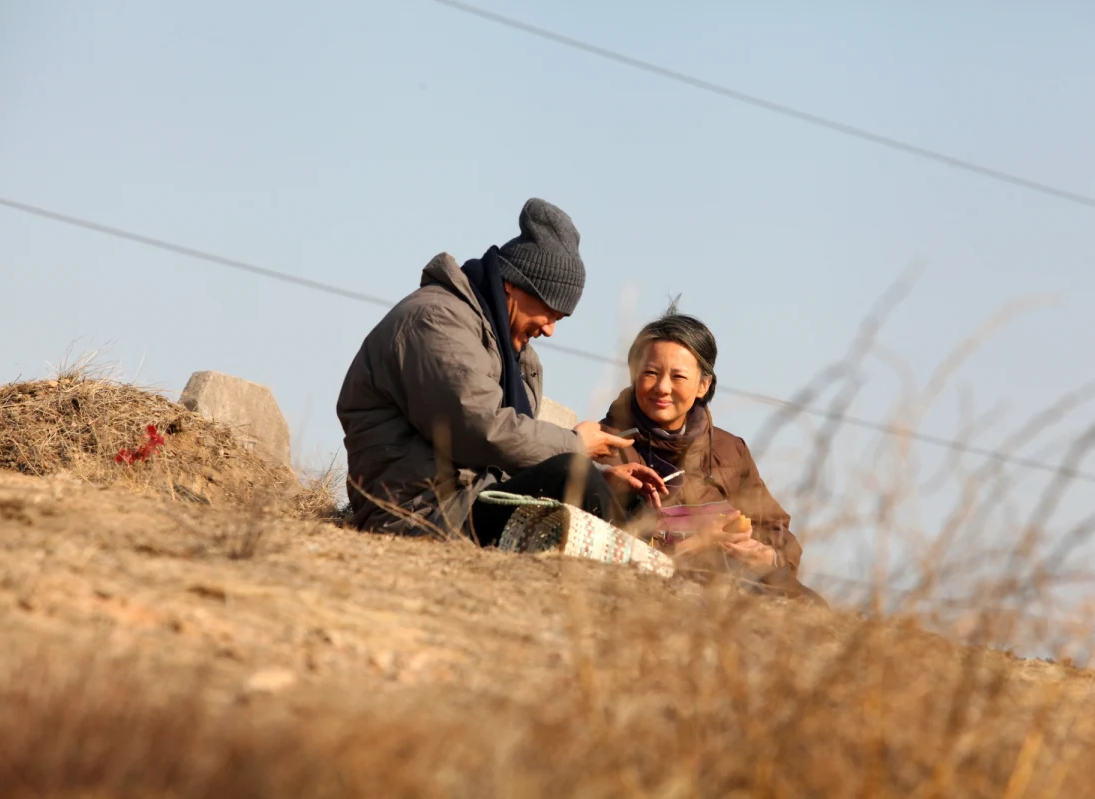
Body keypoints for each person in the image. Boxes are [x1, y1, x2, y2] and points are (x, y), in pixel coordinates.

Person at [336, 198, 666, 545]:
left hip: (473, 500)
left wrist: (604, 474)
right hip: (421, 515)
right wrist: (575, 446)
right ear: (513, 284)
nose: (551, 330)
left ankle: (648, 570)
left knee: (619, 495)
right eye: (551, 313)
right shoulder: (437, 321)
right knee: (572, 474)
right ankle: (635, 570)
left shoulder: (509, 348)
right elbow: (480, 430)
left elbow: (510, 454)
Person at [596, 307, 825, 604]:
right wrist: (700, 542)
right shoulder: (607, 444)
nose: (662, 388)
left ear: (703, 385)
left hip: (739, 586)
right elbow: (609, 540)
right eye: (650, 373)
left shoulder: (731, 450)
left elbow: (774, 525)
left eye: (678, 376)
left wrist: (769, 554)